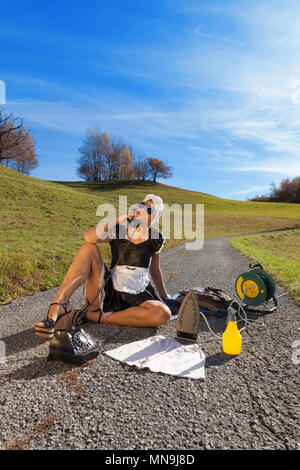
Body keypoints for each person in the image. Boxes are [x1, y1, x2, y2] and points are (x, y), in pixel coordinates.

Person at [35, 194, 172, 338]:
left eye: (150, 210)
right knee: (89, 247)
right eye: (142, 205)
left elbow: (155, 268)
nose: (143, 209)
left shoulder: (157, 238)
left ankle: (94, 316)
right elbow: (89, 237)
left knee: (163, 314)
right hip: (110, 287)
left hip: (139, 290)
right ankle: (58, 306)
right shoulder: (119, 230)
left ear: (154, 217)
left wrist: (163, 295)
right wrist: (121, 217)